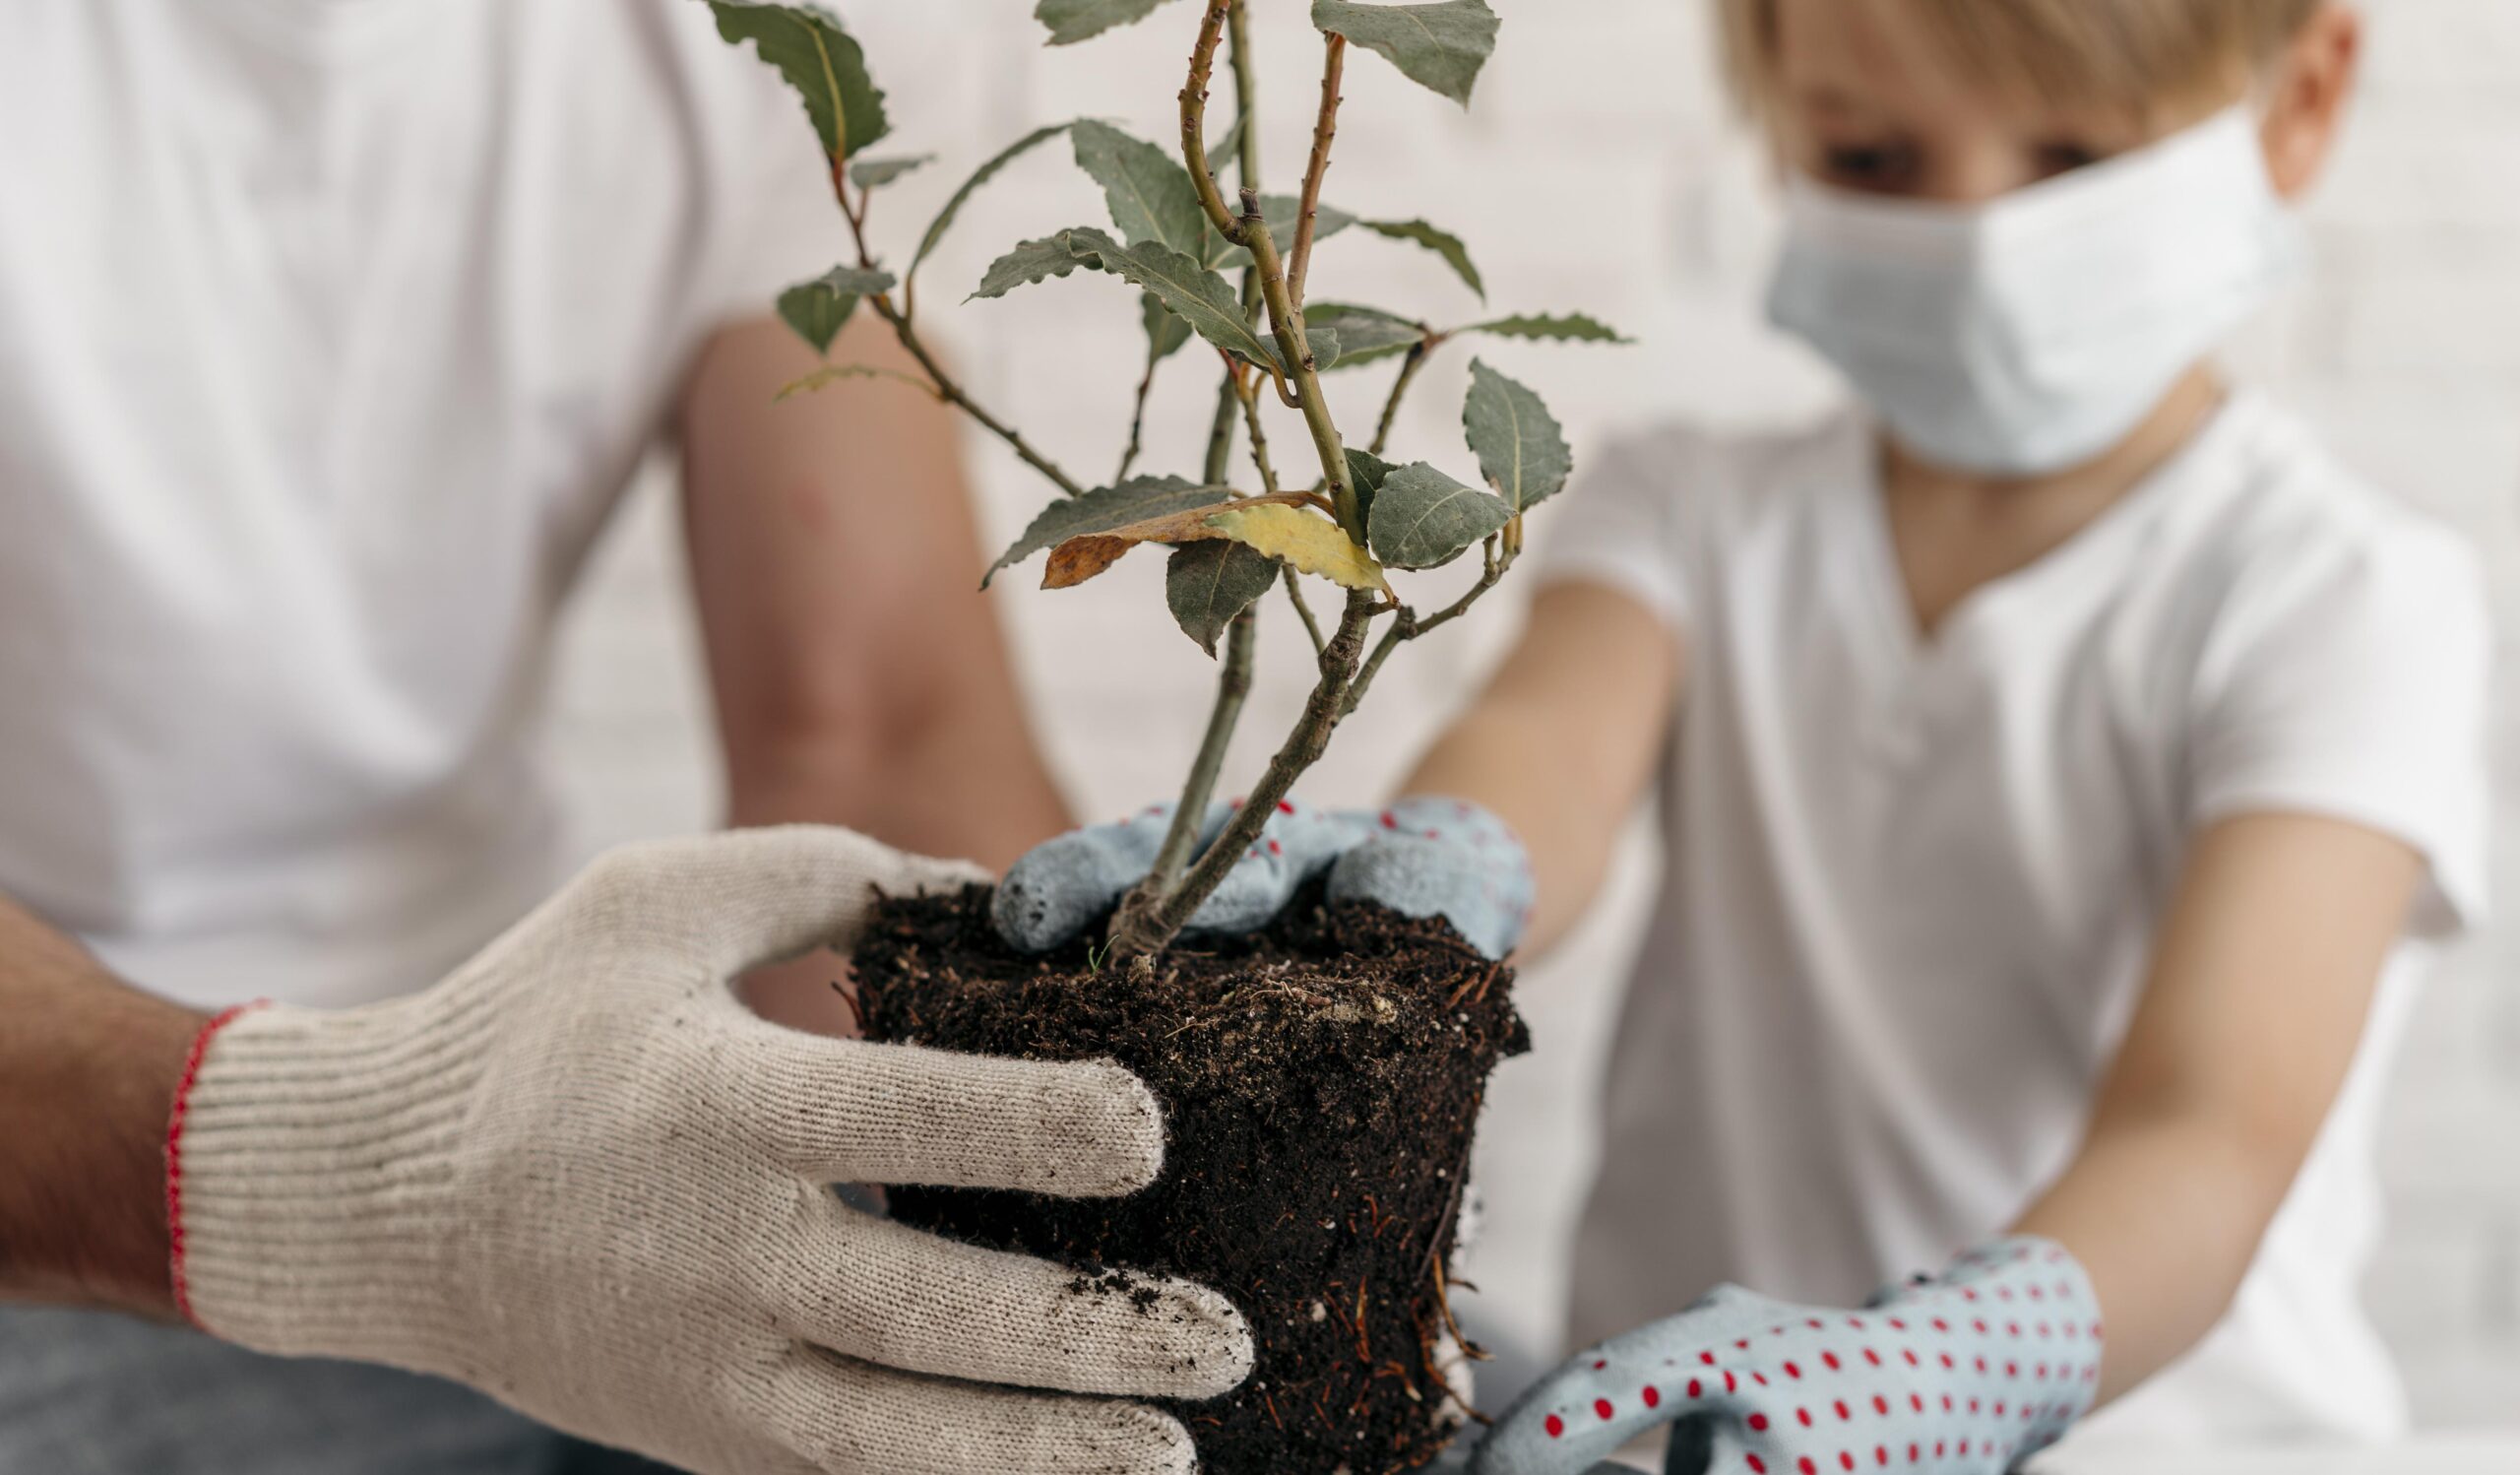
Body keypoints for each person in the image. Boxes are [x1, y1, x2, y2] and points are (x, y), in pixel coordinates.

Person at [999, 0, 2490, 1469]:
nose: (1978, 238)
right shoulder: (1694, 512)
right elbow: (1550, 749)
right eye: (1872, 158)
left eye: (2073, 156)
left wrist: (1960, 1364)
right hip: (1661, 1433)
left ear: (2300, 95)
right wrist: (1432, 872)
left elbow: (2213, 1125)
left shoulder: (2343, 599)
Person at [0, 3, 1248, 1472]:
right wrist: (339, 1167)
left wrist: (1145, 1159)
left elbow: (869, 729)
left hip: (515, 1127)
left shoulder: (784, 36)